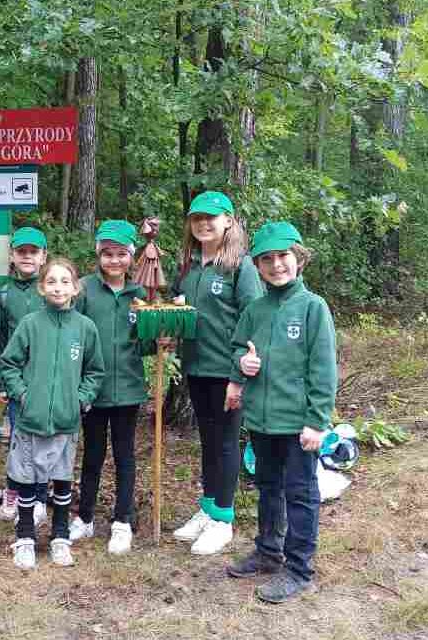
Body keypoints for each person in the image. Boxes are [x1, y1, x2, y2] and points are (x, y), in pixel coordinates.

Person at [224, 221, 337, 603]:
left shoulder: (313, 308)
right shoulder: (255, 309)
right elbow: (238, 350)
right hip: (261, 418)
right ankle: (268, 552)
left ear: (299, 259)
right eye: (267, 259)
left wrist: (317, 421)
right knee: (268, 487)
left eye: (283, 257)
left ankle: (299, 569)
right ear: (258, 266)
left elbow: (323, 368)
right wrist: (242, 365)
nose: (276, 265)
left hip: (298, 424)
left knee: (300, 492)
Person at [170, 191, 264, 555]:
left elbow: (255, 320)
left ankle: (223, 520)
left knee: (226, 443)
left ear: (229, 221)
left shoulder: (241, 267)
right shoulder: (189, 267)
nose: (204, 224)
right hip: (198, 367)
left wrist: (238, 375)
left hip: (229, 370)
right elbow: (178, 309)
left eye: (212, 217)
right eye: (197, 219)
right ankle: (208, 508)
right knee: (208, 441)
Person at [0, 257, 105, 570]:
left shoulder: (85, 328)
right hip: (31, 420)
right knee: (27, 481)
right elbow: (9, 362)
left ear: (75, 288)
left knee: (61, 481)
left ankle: (60, 537)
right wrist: (23, 394)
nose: (58, 287)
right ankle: (25, 538)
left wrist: (80, 399)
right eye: (51, 282)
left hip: (66, 420)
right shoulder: (31, 324)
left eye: (64, 282)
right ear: (42, 288)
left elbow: (95, 370)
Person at [69, 220, 151, 555]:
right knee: (92, 453)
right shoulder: (85, 289)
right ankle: (85, 516)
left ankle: (123, 520)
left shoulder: (140, 294)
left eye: (121, 254)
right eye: (107, 254)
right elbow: (71, 331)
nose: (114, 260)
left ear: (131, 257)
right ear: (99, 255)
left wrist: (158, 338)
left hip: (128, 389)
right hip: (92, 388)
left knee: (124, 455)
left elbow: (143, 345)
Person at [0, 227, 48, 525]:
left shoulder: (51, 288)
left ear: (43, 256)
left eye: (33, 252)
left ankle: (40, 496)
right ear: (12, 255)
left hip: (48, 379)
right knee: (19, 439)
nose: (27, 257)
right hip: (17, 380)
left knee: (44, 440)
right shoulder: (3, 291)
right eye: (22, 251)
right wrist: (0, 381)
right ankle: (13, 490)